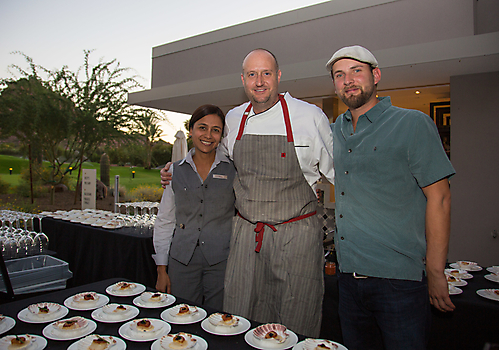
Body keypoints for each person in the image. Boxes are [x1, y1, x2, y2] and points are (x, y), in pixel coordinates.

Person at [162, 49, 334, 337]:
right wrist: (175, 167)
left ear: (278, 76)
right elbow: (212, 155)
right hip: (247, 238)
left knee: (295, 318)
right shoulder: (234, 117)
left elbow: (339, 176)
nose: (259, 81)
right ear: (243, 79)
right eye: (252, 74)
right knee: (241, 315)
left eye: (266, 73)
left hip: (296, 237)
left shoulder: (309, 116)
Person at [326, 45, 455, 349]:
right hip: (347, 281)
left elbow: (440, 199)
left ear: (376, 75)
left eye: (357, 71)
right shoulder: (333, 131)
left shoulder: (411, 123)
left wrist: (436, 272)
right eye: (339, 75)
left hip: (399, 283)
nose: (349, 80)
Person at [153, 104, 236, 311]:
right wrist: (162, 269)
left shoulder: (234, 170)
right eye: (202, 127)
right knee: (182, 318)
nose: (208, 135)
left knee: (221, 322)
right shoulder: (174, 171)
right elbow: (164, 220)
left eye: (215, 130)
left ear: (221, 136)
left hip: (222, 263)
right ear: (191, 130)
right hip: (181, 262)